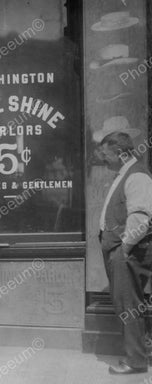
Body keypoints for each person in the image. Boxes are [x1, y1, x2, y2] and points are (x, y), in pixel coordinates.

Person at [97, 132, 152, 374]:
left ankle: (135, 361)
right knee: (129, 304)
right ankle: (141, 352)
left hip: (126, 251)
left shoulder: (136, 175)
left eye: (106, 154)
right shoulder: (125, 174)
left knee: (128, 305)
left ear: (121, 153)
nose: (104, 159)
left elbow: (141, 217)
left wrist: (124, 250)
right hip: (120, 249)